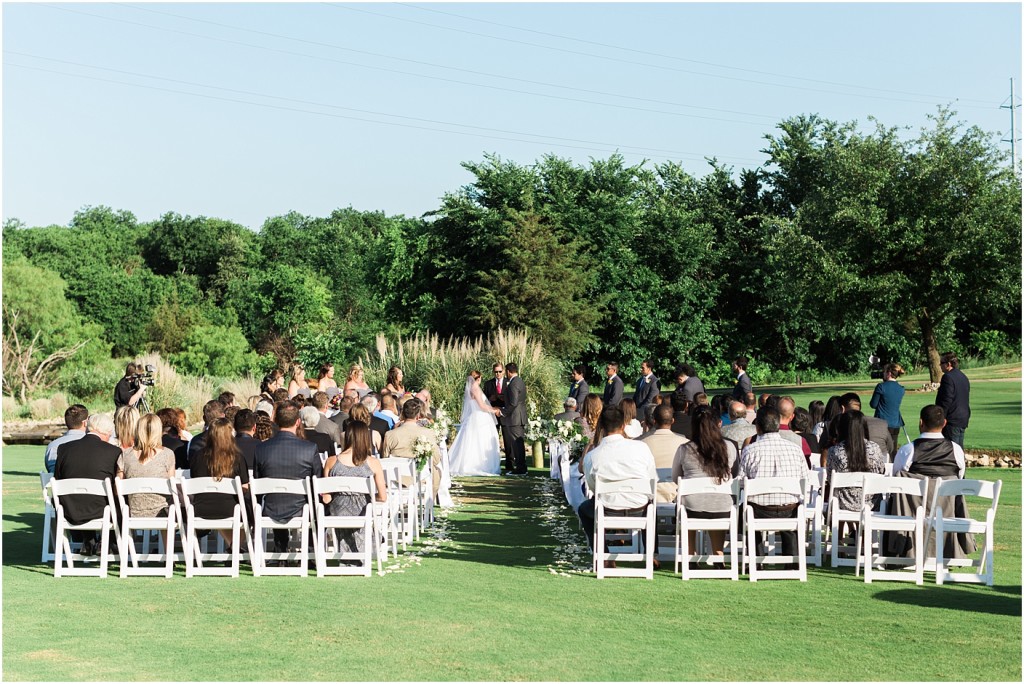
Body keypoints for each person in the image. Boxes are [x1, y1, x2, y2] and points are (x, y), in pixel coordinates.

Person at [887, 405, 975, 560]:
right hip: (946, 509)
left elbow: (896, 479)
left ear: (921, 422)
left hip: (912, 512)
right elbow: (959, 478)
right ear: (945, 423)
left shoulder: (908, 450)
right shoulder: (956, 450)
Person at [578, 406, 659, 567]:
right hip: (639, 507)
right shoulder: (641, 448)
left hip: (608, 508)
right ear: (623, 426)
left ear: (601, 426)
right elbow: (652, 479)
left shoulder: (592, 456)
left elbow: (594, 489)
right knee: (652, 506)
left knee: (584, 509)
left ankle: (604, 554)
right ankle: (652, 553)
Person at [738, 407, 807, 569]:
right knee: (792, 507)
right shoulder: (795, 450)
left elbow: (741, 483)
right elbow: (805, 481)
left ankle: (756, 558)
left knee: (743, 511)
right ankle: (791, 561)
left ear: (758, 427)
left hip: (758, 510)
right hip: (789, 510)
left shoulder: (750, 450)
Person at [253, 401, 322, 555]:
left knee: (278, 498)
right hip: (302, 509)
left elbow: (257, 485)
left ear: (276, 421)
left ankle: (281, 552)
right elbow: (318, 483)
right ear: (298, 422)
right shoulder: (309, 449)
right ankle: (311, 550)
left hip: (271, 507)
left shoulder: (261, 448)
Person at [672, 405, 739, 557]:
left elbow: (677, 478)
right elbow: (734, 475)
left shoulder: (684, 449)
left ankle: (690, 554)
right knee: (716, 501)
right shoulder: (729, 447)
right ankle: (718, 553)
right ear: (719, 423)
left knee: (688, 501)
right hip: (723, 506)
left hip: (692, 507)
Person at [53, 412, 121, 556]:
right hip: (101, 511)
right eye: (110, 434)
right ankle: (108, 542)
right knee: (119, 499)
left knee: (82, 497)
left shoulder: (64, 449)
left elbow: (57, 479)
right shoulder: (113, 451)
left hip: (68, 509)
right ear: (106, 432)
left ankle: (88, 541)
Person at [322, 421, 388, 555]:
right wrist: (366, 498)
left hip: (337, 512)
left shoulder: (331, 461)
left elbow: (327, 498)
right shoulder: (373, 463)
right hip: (362, 512)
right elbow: (382, 497)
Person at [189, 418, 249, 547]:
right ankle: (235, 546)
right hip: (231, 510)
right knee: (248, 509)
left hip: (200, 509)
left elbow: (194, 484)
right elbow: (245, 486)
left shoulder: (197, 456)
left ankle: (234, 546)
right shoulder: (237, 457)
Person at [825, 411, 886, 514]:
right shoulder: (874, 448)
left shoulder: (835, 451)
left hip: (843, 504)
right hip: (871, 504)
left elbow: (831, 479)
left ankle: (844, 529)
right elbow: (881, 473)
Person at [116, 413, 175, 518]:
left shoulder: (125, 455)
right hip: (162, 514)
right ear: (158, 431)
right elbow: (172, 488)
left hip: (133, 513)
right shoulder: (168, 454)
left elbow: (117, 489)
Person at [382, 397, 444, 496]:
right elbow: (436, 459)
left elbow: (385, 458)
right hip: (421, 478)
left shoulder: (390, 434)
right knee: (437, 470)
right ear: (418, 415)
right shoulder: (428, 433)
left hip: (396, 479)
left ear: (402, 413)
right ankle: (428, 502)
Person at [447, 372, 502, 476]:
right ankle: (479, 465)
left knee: (473, 440)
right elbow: (482, 406)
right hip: (480, 417)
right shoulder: (475, 389)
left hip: (475, 417)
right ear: (479, 378)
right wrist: (495, 410)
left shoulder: (471, 389)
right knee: (480, 440)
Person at [639, 404, 689, 503]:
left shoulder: (641, 444)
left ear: (654, 421)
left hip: (650, 496)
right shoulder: (685, 444)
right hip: (677, 496)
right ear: (673, 421)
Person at [870, 362, 906, 458]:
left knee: (880, 451)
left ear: (889, 373)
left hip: (881, 423)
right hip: (895, 423)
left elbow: (873, 404)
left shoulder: (881, 386)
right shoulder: (901, 388)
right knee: (892, 451)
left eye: (884, 372)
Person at [936, 352, 971, 448]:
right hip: (962, 418)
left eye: (941, 363)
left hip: (952, 419)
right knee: (958, 449)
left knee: (951, 450)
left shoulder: (947, 377)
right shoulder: (963, 376)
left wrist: (941, 417)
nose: (940, 366)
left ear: (948, 364)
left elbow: (946, 400)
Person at [499, 362, 528, 475]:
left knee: (517, 444)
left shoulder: (513, 384)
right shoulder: (519, 381)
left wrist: (503, 412)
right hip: (519, 417)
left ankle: (520, 468)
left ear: (508, 372)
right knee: (518, 443)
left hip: (515, 418)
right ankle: (522, 467)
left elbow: (513, 402)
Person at [44, 404, 89, 474]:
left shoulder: (53, 446)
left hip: (60, 484)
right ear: (85, 423)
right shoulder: (94, 444)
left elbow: (52, 473)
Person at [632, 358, 660, 422]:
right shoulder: (640, 380)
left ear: (649, 368)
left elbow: (651, 399)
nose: (641, 369)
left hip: (646, 413)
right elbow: (636, 395)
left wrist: (640, 410)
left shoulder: (654, 381)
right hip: (636, 412)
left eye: (643, 368)